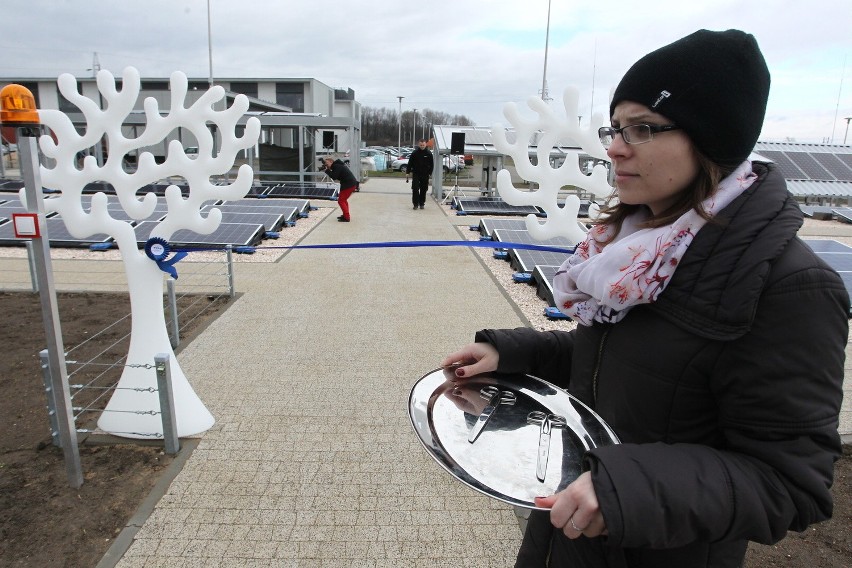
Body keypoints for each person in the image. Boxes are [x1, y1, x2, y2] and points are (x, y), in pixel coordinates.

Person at [441, 29, 849, 568]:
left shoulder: (787, 285)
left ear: (712, 140)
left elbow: (789, 483)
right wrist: (515, 354)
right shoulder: (635, 250)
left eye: (643, 128)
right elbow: (625, 368)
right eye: (616, 127)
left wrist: (625, 490)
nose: (613, 146)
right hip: (570, 534)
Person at [321, 156, 358, 222]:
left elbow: (334, 177)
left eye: (327, 163)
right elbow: (335, 175)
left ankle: (347, 217)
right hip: (350, 184)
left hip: (348, 184)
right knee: (344, 200)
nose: (326, 165)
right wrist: (328, 168)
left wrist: (326, 170)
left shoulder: (337, 166)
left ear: (331, 161)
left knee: (341, 201)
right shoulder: (337, 165)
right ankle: (345, 215)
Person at [406, 138, 434, 210]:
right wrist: (407, 172)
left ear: (425, 144)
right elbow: (410, 163)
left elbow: (432, 164)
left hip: (425, 174)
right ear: (419, 144)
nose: (422, 146)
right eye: (421, 145)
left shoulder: (429, 153)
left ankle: (421, 203)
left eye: (423, 145)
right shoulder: (414, 153)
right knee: (415, 188)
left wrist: (430, 172)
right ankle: (415, 204)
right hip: (416, 173)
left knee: (423, 189)